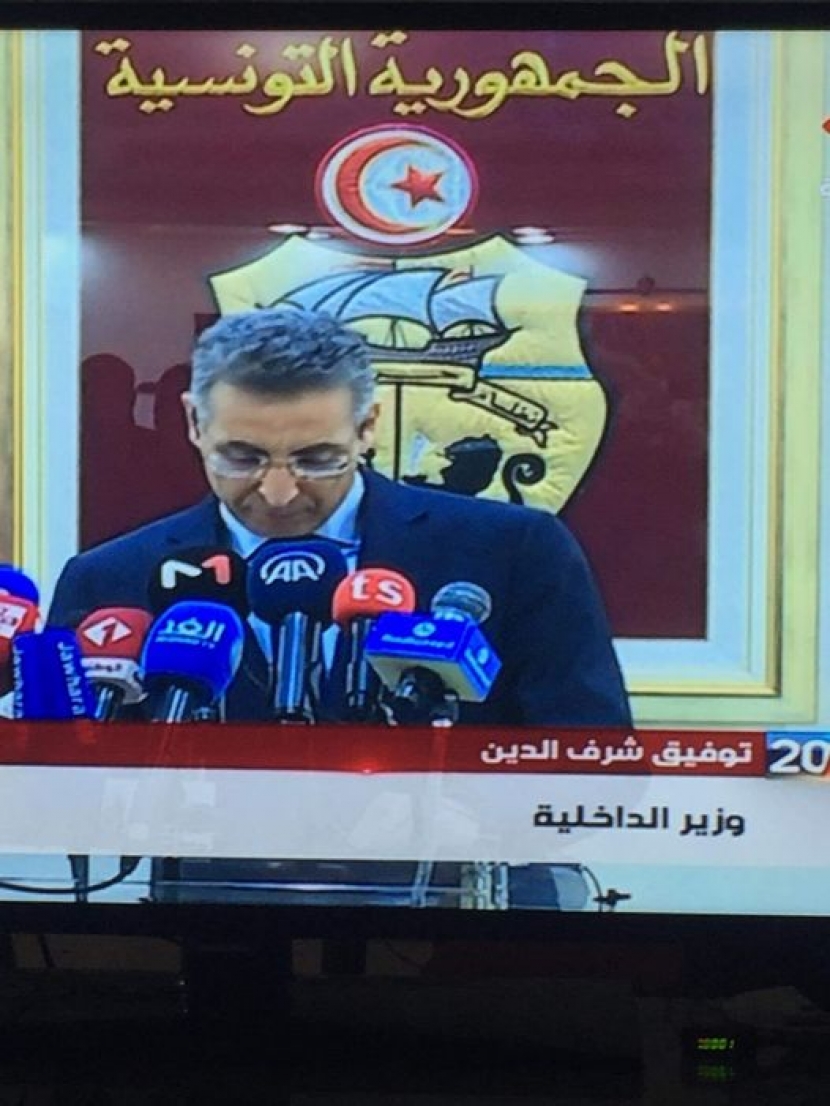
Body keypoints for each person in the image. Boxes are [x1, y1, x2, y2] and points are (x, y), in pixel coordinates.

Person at [50, 306, 630, 727]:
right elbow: (61, 786)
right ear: (193, 424)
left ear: (367, 427)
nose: (278, 493)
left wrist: (468, 821)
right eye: (242, 457)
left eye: (316, 459)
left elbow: (594, 764)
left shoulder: (513, 552)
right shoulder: (108, 581)